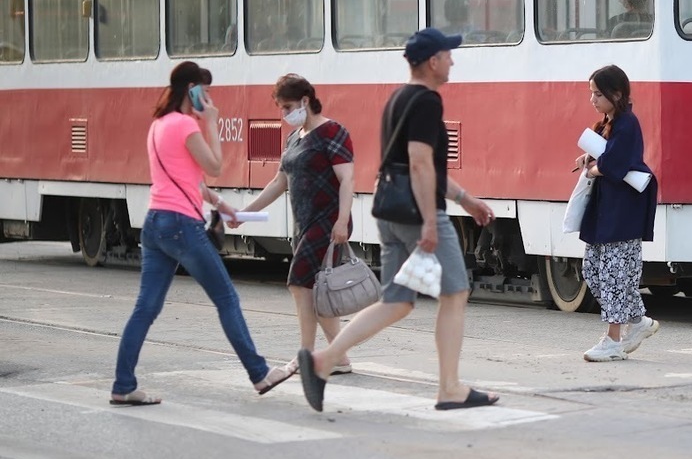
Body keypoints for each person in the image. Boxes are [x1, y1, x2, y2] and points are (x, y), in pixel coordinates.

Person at [297, 28, 499, 412]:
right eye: (447, 54)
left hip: (390, 209)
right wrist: (429, 222)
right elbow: (420, 162)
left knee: (397, 301)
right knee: (455, 293)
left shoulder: (398, 98)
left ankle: (323, 361)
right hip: (416, 212)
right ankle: (450, 388)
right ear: (431, 61)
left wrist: (466, 198)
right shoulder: (426, 102)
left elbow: (415, 165)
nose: (452, 60)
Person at [111, 62, 292, 405]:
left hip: (155, 224)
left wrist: (218, 202)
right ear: (192, 89)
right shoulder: (184, 125)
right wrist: (212, 123)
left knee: (145, 308)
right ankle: (260, 373)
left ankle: (123, 385)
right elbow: (214, 166)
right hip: (182, 225)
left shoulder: (159, 126)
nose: (208, 98)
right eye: (205, 91)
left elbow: (186, 178)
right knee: (227, 299)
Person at [236, 74, 356, 375]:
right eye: (281, 108)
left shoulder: (333, 132)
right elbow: (280, 182)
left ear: (305, 101)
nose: (284, 114)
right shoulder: (294, 138)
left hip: (328, 222)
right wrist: (244, 213)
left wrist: (342, 221)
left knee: (298, 282)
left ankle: (305, 354)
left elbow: (347, 180)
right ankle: (340, 357)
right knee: (314, 290)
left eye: (287, 106)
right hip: (303, 222)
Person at [575, 64, 660, 362]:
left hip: (623, 211)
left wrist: (593, 169)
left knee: (614, 275)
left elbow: (614, 164)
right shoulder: (608, 122)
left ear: (617, 93)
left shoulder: (627, 123)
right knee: (593, 270)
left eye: (598, 94)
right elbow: (607, 154)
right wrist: (589, 157)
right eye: (592, 94)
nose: (593, 100)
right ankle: (638, 321)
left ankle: (612, 341)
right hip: (606, 210)